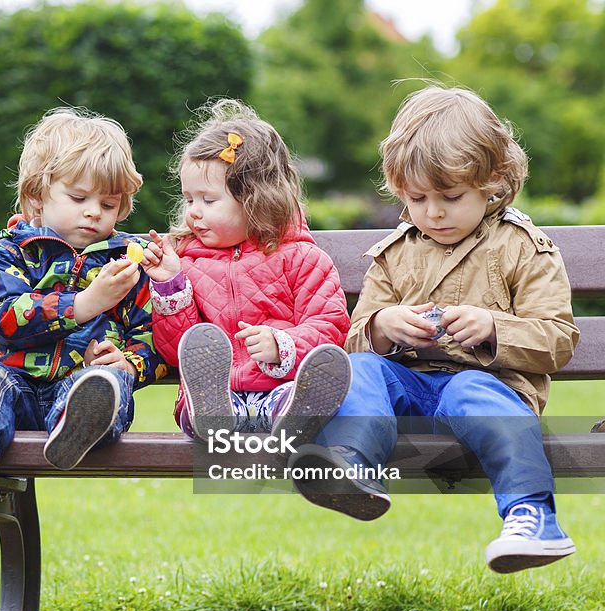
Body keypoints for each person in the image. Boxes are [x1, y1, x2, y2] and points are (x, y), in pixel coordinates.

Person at [290, 85, 579, 574]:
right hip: (410, 386)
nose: (434, 212)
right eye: (418, 198)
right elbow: (356, 334)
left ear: (494, 180)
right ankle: (350, 465)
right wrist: (384, 326)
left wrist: (493, 327)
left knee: (471, 390)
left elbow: (557, 338)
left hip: (490, 388)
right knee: (360, 368)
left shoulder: (523, 247)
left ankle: (533, 515)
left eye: (450, 196)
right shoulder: (395, 253)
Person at [0, 107, 166, 479]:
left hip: (80, 387)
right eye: (79, 199)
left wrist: (129, 362)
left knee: (105, 384)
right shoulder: (10, 251)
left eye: (108, 204)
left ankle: (75, 430)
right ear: (37, 196)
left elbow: (153, 334)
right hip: (15, 386)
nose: (94, 212)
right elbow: (4, 316)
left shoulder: (128, 262)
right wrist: (84, 304)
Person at [140, 99, 352, 446]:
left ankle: (294, 419)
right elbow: (178, 348)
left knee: (291, 400)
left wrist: (282, 347)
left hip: (282, 387)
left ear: (255, 199)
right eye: (189, 199)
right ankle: (212, 415)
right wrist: (169, 284)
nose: (194, 212)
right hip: (219, 395)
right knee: (200, 407)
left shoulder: (301, 258)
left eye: (208, 201)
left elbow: (329, 329)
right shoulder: (187, 262)